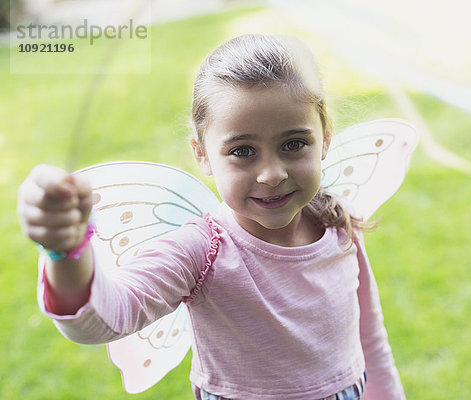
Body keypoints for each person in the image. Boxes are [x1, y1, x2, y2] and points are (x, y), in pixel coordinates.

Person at [17, 34, 406, 400]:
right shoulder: (202, 251)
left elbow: (368, 336)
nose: (272, 174)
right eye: (243, 151)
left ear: (325, 138)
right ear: (202, 154)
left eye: (293, 144)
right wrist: (64, 250)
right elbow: (103, 320)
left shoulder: (338, 223)